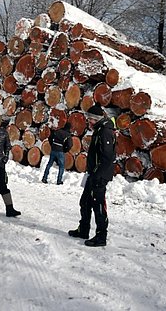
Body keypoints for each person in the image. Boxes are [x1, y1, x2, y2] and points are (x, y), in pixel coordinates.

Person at [68, 104, 115, 247]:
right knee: (85, 202)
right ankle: (83, 229)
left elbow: (107, 157)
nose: (88, 121)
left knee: (98, 205)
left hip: (99, 176)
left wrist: (97, 173)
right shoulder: (99, 130)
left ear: (96, 119)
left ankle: (101, 236)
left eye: (90, 119)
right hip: (93, 174)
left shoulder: (105, 132)